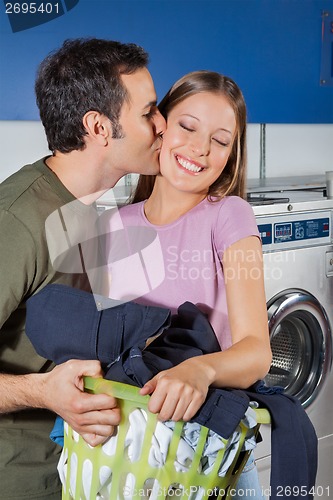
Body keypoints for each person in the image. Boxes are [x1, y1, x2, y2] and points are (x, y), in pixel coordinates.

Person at [0, 37, 166, 499]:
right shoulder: (16, 221)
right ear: (98, 126)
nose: (163, 125)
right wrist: (40, 392)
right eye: (148, 112)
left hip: (84, 474)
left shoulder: (102, 211)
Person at [106, 70, 273, 498]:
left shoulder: (229, 216)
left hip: (213, 456)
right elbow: (106, 342)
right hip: (134, 455)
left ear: (231, 156)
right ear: (160, 125)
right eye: (187, 126)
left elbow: (257, 351)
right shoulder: (116, 225)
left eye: (220, 141)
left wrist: (199, 369)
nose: (200, 149)